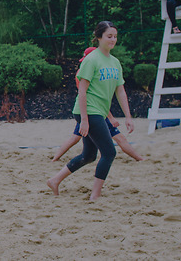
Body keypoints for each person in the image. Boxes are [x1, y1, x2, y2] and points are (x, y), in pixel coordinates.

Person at [46, 21, 135, 201]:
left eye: (115, 36)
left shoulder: (115, 62)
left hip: (98, 112)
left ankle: (55, 180)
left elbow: (120, 91)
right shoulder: (91, 59)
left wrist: (128, 116)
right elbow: (82, 91)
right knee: (109, 152)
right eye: (109, 36)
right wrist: (84, 119)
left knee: (89, 156)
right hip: (87, 111)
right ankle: (95, 196)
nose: (113, 40)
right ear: (99, 37)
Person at [52, 47, 145, 162]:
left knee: (76, 139)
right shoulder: (88, 72)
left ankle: (55, 159)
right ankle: (139, 159)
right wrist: (110, 117)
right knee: (116, 141)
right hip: (93, 111)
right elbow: (94, 99)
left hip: (86, 111)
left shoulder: (88, 71)